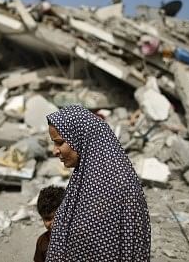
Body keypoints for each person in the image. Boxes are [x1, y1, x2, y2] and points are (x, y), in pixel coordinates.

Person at [45, 105, 151, 261]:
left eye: (60, 143)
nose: (55, 151)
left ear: (80, 138)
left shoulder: (117, 185)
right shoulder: (86, 176)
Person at [34, 186, 65, 262]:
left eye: (57, 217)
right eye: (47, 219)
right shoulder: (42, 242)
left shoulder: (78, 239)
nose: (53, 223)